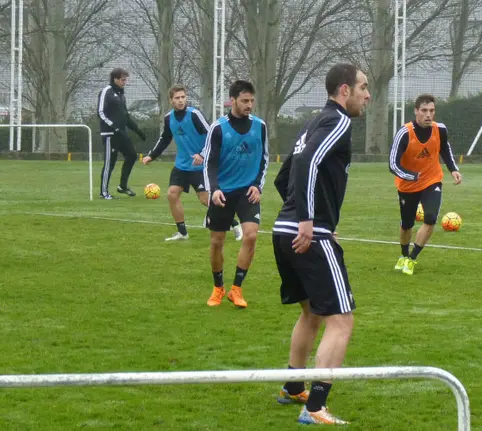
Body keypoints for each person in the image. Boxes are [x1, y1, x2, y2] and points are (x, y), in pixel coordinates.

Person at [272, 64, 370, 425]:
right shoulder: (339, 121)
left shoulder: (313, 122)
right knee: (341, 321)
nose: (367, 95)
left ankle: (292, 385)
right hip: (305, 233)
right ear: (344, 90)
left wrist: (303, 215)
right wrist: (310, 220)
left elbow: (286, 174)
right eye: (363, 87)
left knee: (311, 313)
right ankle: (314, 407)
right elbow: (309, 163)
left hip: (284, 231)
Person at [142, 84, 242, 241]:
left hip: (200, 167)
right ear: (171, 100)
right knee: (172, 195)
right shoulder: (169, 118)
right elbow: (165, 139)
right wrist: (151, 156)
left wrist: (202, 154)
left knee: (206, 200)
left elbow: (212, 135)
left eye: (183, 97)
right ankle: (182, 232)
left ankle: (235, 224)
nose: (181, 100)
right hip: (181, 166)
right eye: (177, 98)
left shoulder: (194, 114)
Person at [203, 80, 268, 309]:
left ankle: (236, 289)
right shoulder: (218, 128)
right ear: (232, 101)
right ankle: (218, 288)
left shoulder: (260, 126)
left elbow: (264, 159)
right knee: (216, 242)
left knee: (250, 235)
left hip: (247, 192)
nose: (249, 105)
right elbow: (209, 163)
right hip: (223, 192)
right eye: (244, 101)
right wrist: (214, 189)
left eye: (251, 100)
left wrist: (258, 186)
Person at [389, 94, 462, 275]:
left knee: (430, 217)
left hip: (432, 180)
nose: (428, 115)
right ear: (416, 111)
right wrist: (410, 175)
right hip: (407, 185)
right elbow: (392, 164)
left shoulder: (440, 129)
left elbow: (445, 148)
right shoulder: (405, 133)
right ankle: (404, 256)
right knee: (407, 224)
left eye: (432, 111)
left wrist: (453, 169)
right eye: (424, 111)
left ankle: (412, 259)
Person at [98, 68, 147, 199]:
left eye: (125, 79)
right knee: (110, 163)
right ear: (115, 79)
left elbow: (125, 117)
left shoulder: (121, 94)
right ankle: (104, 192)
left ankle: (122, 186)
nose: (124, 82)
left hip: (122, 134)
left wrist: (138, 131)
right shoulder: (106, 91)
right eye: (122, 79)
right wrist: (113, 126)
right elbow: (101, 112)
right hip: (109, 134)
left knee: (131, 156)